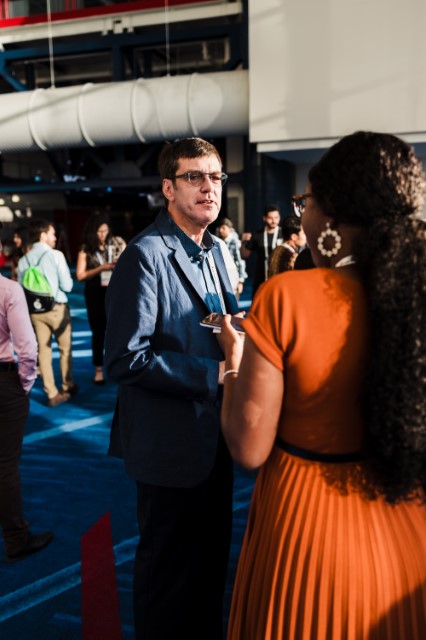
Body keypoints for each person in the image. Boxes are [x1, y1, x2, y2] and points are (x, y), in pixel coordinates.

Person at [218, 131, 426, 639]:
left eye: (305, 202)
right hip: (408, 528)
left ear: (330, 216)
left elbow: (248, 447)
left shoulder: (287, 295)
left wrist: (232, 362)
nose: (302, 213)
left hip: (307, 527)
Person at [104, 137, 239, 640]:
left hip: (215, 438)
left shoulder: (216, 249)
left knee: (209, 570)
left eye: (216, 177)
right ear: (168, 188)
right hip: (167, 445)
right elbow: (125, 358)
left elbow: (218, 323)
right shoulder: (144, 256)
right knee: (167, 578)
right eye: (194, 177)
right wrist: (214, 375)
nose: (209, 188)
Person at [0, 221, 53, 561]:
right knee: (5, 464)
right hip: (5, 382)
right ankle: (16, 538)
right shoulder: (8, 289)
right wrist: (25, 383)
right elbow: (27, 348)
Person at [17, 219, 77, 407]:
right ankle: (67, 385)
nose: (55, 237)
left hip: (35, 312)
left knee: (43, 351)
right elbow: (67, 286)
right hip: (57, 308)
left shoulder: (23, 260)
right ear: (43, 235)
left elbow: (21, 288)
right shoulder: (55, 255)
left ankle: (51, 393)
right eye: (52, 234)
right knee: (65, 349)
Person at [76, 214, 126, 384]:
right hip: (95, 293)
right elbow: (80, 275)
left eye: (105, 231)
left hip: (116, 291)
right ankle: (98, 368)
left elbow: (131, 264)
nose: (103, 235)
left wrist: (120, 263)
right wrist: (101, 268)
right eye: (99, 231)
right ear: (93, 232)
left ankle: (119, 365)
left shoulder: (118, 242)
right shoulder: (86, 248)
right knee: (98, 332)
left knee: (119, 331)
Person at [241, 204, 283, 297]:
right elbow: (244, 255)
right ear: (264, 218)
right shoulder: (257, 234)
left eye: (276, 217)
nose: (274, 221)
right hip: (261, 276)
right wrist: (244, 242)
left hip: (279, 275)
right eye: (270, 218)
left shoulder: (283, 234)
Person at [217, 217, 247, 298]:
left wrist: (240, 281)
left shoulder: (235, 242)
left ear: (230, 229)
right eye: (220, 228)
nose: (221, 230)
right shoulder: (218, 241)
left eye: (223, 228)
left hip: (233, 277)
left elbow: (240, 261)